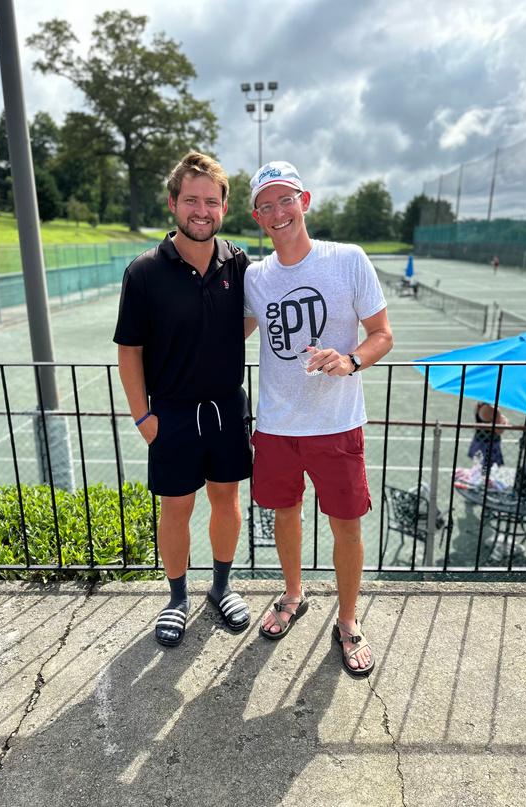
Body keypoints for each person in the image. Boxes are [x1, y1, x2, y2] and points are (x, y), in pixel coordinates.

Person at [244, 161, 393, 677]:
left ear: (304, 201)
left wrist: (351, 360)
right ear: (257, 217)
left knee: (345, 525)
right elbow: (228, 331)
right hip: (276, 426)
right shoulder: (255, 277)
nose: (278, 212)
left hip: (337, 424)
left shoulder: (347, 259)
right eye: (266, 206)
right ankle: (293, 595)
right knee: (284, 515)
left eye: (286, 200)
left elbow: (382, 334)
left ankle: (348, 621)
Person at [114, 152, 255, 648]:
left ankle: (221, 587)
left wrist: (218, 343)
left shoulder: (238, 263)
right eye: (191, 200)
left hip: (226, 408)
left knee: (226, 501)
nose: (202, 210)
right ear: (173, 202)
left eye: (211, 201)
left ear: (224, 208)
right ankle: (176, 598)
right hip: (171, 413)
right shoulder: (144, 271)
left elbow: (250, 316)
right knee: (175, 507)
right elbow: (129, 351)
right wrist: (144, 418)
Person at [467, 401, 509, 470]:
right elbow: (499, 431)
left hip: (479, 440)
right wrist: (505, 421)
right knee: (488, 470)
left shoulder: (478, 405)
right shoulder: (494, 410)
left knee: (479, 468)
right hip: (490, 444)